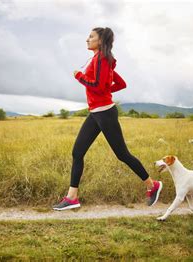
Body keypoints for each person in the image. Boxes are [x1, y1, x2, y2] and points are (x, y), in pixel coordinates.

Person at [52, 27, 162, 211]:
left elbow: (97, 85)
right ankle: (72, 197)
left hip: (105, 113)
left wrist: (79, 76)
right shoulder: (101, 60)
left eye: (91, 37)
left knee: (122, 154)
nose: (87, 39)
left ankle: (153, 185)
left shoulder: (102, 60)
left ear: (100, 41)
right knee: (77, 152)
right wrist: (103, 91)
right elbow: (118, 84)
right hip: (96, 112)